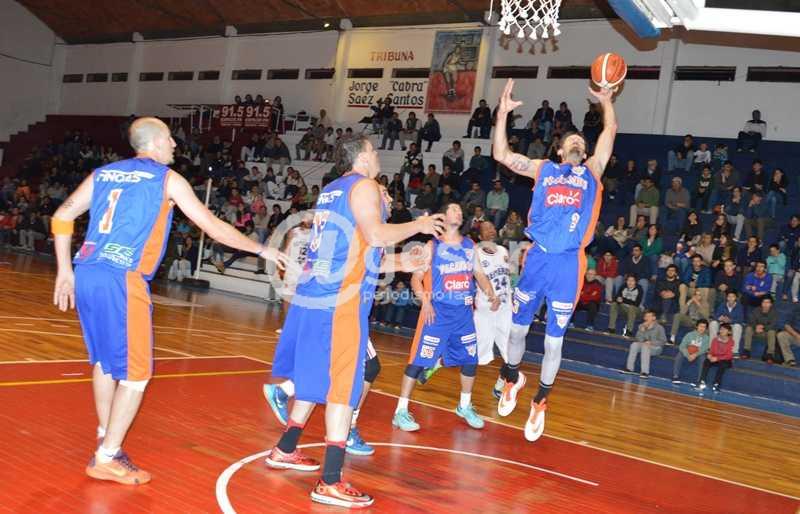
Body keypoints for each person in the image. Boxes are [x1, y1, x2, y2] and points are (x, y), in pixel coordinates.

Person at [51, 117, 288, 485]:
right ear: (155, 142)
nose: (175, 145)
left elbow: (62, 215)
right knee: (137, 375)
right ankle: (107, 457)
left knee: (105, 362)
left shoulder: (103, 173)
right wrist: (263, 250)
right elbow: (213, 227)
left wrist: (65, 270)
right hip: (123, 276)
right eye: (170, 139)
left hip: (87, 270)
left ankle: (105, 435)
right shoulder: (167, 179)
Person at [263, 135, 444, 507]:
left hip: (314, 297)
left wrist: (403, 262)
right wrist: (420, 223)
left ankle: (285, 448)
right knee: (344, 388)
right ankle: (330, 481)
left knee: (316, 379)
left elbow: (362, 253)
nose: (377, 156)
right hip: (339, 304)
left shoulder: (332, 190)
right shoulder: (364, 186)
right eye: (373, 151)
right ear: (361, 157)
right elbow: (376, 235)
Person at [491, 78, 617, 442]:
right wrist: (502, 114)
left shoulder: (592, 172)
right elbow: (502, 155)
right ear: (560, 150)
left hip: (568, 265)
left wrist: (607, 102)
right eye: (572, 142)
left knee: (553, 342)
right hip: (537, 259)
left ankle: (540, 401)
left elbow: (610, 130)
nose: (578, 144)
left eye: (582, 142)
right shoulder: (543, 169)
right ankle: (511, 378)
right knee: (517, 331)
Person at [394, 203, 493, 432]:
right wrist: (426, 302)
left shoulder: (470, 245)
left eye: (460, 211)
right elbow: (416, 278)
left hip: (463, 314)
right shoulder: (433, 245)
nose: (459, 212)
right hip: (438, 313)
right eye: (454, 210)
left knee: (470, 360)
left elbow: (479, 274)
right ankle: (400, 411)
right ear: (444, 216)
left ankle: (464, 406)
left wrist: (492, 295)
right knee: (419, 361)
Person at [472, 222, 513, 397]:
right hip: (485, 311)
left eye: (492, 228)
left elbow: (510, 277)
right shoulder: (475, 253)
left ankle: (500, 385)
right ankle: (436, 364)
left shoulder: (503, 251)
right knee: (473, 352)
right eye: (486, 229)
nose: (491, 231)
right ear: (480, 236)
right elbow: (479, 277)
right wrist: (491, 297)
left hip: (505, 309)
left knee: (512, 352)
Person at [621, 310, 667, 378]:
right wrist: (642, 331)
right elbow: (638, 339)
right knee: (634, 345)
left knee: (645, 347)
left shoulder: (659, 328)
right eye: (646, 316)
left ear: (654, 318)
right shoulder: (641, 326)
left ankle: (645, 372)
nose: (647, 318)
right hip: (643, 345)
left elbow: (663, 341)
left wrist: (651, 342)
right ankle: (629, 368)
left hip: (656, 347)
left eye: (649, 316)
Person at [696, 323, 734, 392]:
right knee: (706, 361)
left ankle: (716, 384)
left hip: (725, 360)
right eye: (721, 329)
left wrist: (717, 358)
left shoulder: (731, 341)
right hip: (715, 359)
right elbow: (712, 351)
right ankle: (702, 382)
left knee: (723, 364)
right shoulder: (715, 340)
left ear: (729, 332)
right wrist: (709, 355)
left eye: (724, 329)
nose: (722, 331)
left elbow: (729, 355)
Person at [672, 319, 710, 384]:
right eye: (700, 326)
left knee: (703, 358)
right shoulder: (689, 335)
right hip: (688, 352)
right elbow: (682, 346)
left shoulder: (707, 338)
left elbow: (704, 349)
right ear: (697, 326)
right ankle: (675, 376)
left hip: (698, 354)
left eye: (704, 327)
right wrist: (688, 355)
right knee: (679, 355)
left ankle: (700, 379)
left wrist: (695, 355)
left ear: (706, 328)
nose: (702, 328)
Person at [709, 290, 745, 356]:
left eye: (732, 296)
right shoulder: (722, 305)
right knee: (713, 323)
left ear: (735, 298)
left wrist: (730, 320)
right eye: (729, 296)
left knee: (738, 326)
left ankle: (734, 351)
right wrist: (719, 318)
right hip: (722, 324)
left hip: (732, 325)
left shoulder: (739, 306)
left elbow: (740, 320)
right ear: (727, 298)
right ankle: (712, 348)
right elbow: (715, 316)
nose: (730, 298)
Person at [742, 296, 777, 362]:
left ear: (771, 304)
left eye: (768, 302)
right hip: (755, 331)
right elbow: (751, 320)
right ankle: (746, 351)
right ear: (761, 303)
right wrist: (756, 327)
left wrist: (763, 327)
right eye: (764, 302)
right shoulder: (756, 310)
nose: (765, 304)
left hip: (766, 332)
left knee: (772, 332)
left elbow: (773, 324)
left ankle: (770, 354)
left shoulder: (774, 312)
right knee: (748, 328)